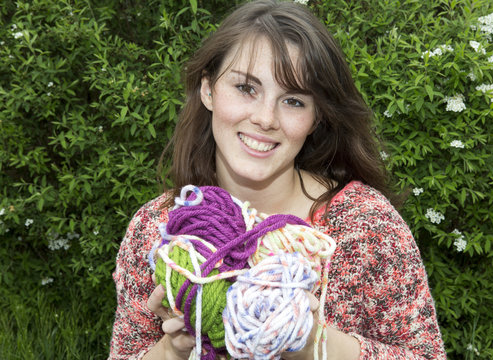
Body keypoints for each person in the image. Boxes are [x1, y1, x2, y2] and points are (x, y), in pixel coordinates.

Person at [108, 0, 447, 359]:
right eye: (246, 88)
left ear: (316, 118)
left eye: (294, 101)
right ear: (208, 89)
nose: (266, 118)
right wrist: (173, 351)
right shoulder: (157, 229)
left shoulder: (363, 226)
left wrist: (309, 341)